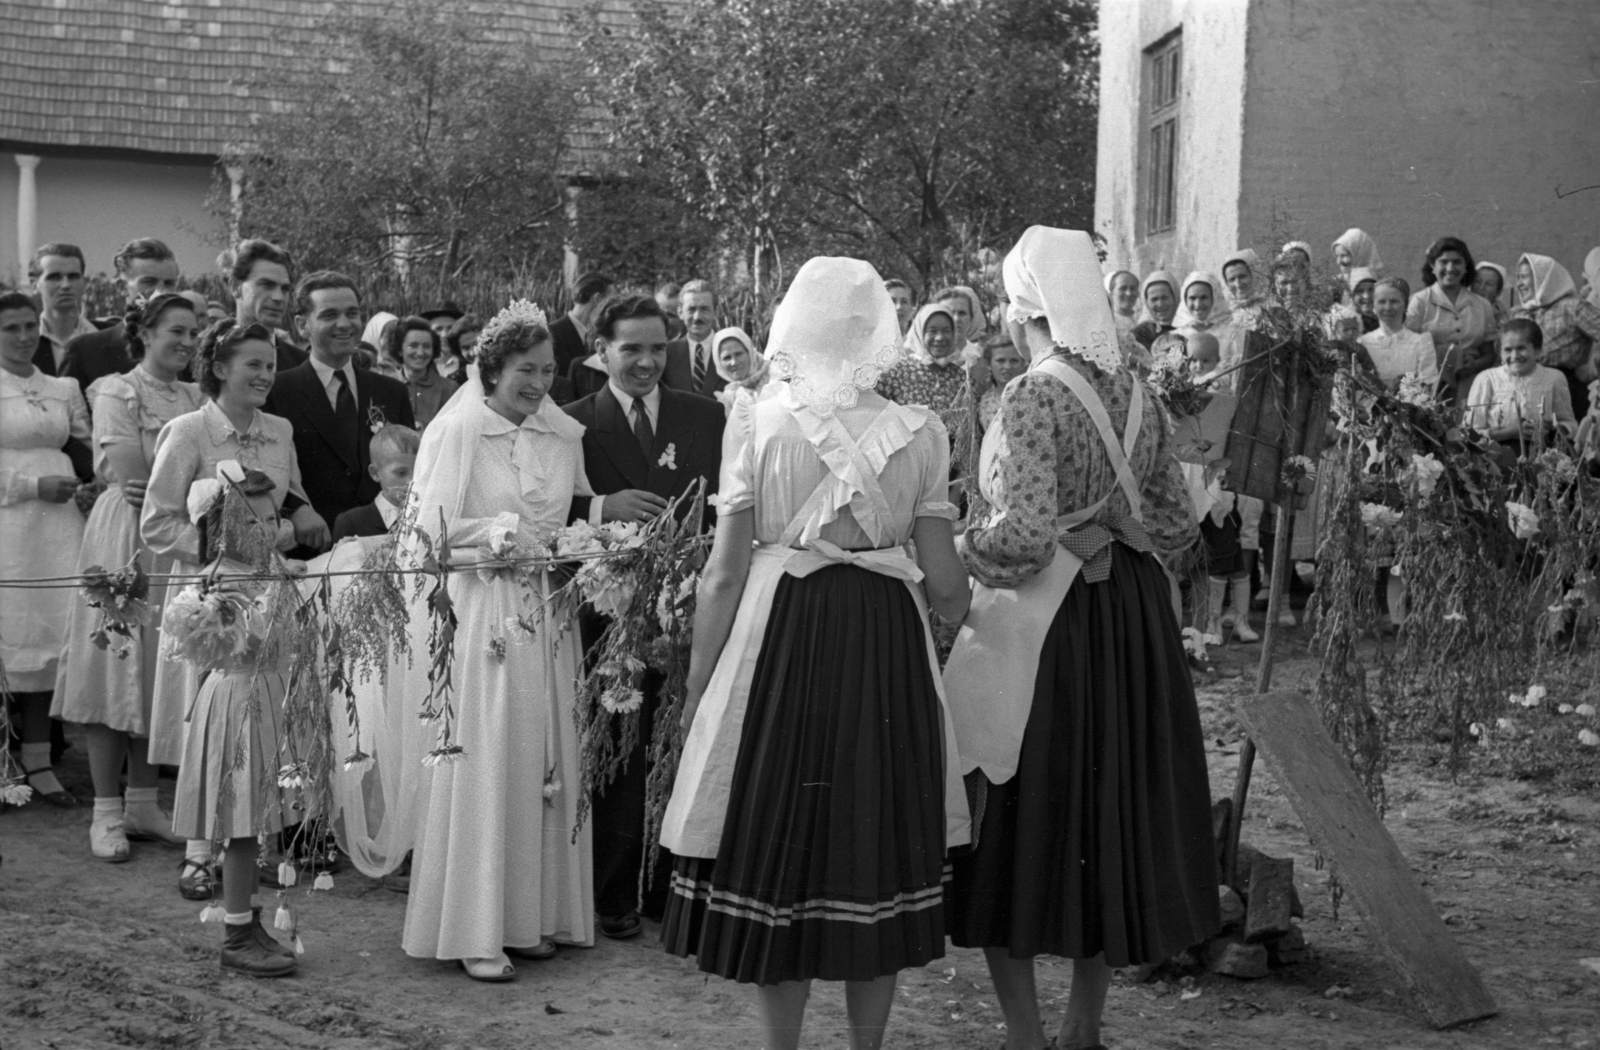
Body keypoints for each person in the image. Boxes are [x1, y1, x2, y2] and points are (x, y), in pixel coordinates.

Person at [661, 255, 971, 1050]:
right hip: (883, 643)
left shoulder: (757, 420)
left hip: (781, 635)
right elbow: (945, 584)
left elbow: (723, 575)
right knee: (873, 841)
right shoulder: (924, 431)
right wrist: (940, 623)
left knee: (780, 838)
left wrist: (700, 688)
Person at [943, 227, 1219, 1050]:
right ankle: (1082, 1029)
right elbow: (1171, 519)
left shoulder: (1032, 394)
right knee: (1108, 813)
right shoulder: (1135, 383)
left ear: (1023, 300)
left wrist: (951, 555)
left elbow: (1024, 539)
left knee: (1019, 820)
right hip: (1129, 616)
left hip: (1050, 622)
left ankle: (1028, 1038)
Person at [400, 301, 597, 981]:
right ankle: (476, 929)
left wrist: (583, 542)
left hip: (547, 612)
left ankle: (530, 916)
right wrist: (493, 537)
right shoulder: (457, 430)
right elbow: (422, 540)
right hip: (485, 610)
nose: (538, 383)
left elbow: (571, 513)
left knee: (539, 758)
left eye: (547, 370)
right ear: (492, 368)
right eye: (525, 370)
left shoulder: (558, 434)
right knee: (490, 756)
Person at [562, 293, 725, 940]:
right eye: (631, 349)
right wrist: (601, 505)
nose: (647, 362)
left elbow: (725, 504)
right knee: (619, 752)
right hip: (607, 614)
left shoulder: (704, 416)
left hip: (686, 605)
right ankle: (613, 893)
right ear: (600, 353)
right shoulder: (570, 423)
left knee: (680, 742)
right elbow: (542, 510)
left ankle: (671, 889)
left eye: (659, 348)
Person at [54, 293, 205, 859]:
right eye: (176, 331)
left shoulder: (196, 396)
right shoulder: (118, 390)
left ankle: (144, 802)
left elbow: (204, 469)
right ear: (144, 332)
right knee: (114, 661)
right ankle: (106, 812)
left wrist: (185, 487)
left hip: (175, 541)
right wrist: (186, 485)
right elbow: (134, 472)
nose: (188, 342)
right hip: (126, 538)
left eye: (195, 332)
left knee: (159, 666)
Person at [0, 290, 90, 807]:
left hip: (57, 528)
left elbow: (83, 446)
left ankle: (37, 759)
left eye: (30, 324)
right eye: (10, 327)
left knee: (46, 633)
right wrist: (32, 486)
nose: (24, 335)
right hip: (11, 524)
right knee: (9, 632)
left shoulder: (63, 385)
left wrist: (87, 483)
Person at [264, 271, 414, 536]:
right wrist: (296, 509)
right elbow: (266, 469)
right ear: (302, 325)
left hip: (384, 543)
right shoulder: (277, 391)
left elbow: (410, 470)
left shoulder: (391, 391)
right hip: (312, 546)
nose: (344, 324)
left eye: (352, 313)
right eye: (329, 315)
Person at [878, 304, 980, 495]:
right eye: (932, 331)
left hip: (947, 474)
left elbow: (967, 437)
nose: (940, 338)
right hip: (902, 467)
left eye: (946, 331)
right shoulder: (897, 371)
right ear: (918, 332)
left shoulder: (962, 378)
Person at [62, 238, 182, 391]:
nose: (161, 292)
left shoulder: (191, 349)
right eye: (149, 282)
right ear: (122, 288)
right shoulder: (83, 351)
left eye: (169, 284)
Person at [1405, 236, 1497, 405]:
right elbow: (1409, 348)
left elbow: (1489, 353)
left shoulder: (1481, 304)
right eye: (1443, 262)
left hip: (1471, 384)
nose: (1450, 268)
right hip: (1431, 385)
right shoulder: (1420, 301)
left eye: (1457, 262)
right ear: (1432, 266)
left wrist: (1475, 364)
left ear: (1465, 267)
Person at [1465, 318, 1577, 455]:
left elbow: (1570, 425)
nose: (1514, 356)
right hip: (1496, 459)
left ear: (1537, 350)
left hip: (1543, 457)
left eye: (1521, 348)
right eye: (1508, 350)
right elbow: (1468, 433)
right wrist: (1509, 432)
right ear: (1500, 352)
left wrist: (1553, 428)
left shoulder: (1554, 378)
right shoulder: (1486, 379)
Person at [1510, 253, 1600, 421]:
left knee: (1565, 440)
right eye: (1518, 278)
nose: (1519, 284)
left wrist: (1590, 368)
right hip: (1523, 387)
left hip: (1566, 388)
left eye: (1524, 277)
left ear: (1542, 277)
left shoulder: (1572, 307)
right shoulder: (1517, 313)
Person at [226, 239, 308, 372]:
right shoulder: (206, 354)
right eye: (266, 285)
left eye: (285, 289)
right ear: (236, 287)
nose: (279, 297)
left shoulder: (302, 366)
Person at [331, 424, 419, 541]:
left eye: (419, 471)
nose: (412, 481)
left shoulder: (428, 515)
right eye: (401, 473)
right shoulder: (351, 523)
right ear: (375, 473)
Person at [28, 243, 96, 376]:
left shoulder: (111, 337)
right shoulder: (21, 341)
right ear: (34, 284)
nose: (65, 285)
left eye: (73, 277)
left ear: (84, 283)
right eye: (54, 277)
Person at [1360, 277, 1439, 393]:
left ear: (1405, 305)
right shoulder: (1362, 343)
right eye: (1382, 302)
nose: (1388, 307)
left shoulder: (1421, 342)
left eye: (1394, 301)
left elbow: (1428, 384)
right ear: (1373, 307)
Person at [388, 315, 459, 430]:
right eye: (413, 346)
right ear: (400, 350)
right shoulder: (385, 386)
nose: (420, 353)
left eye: (426, 346)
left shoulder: (449, 389)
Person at [665, 279, 726, 397]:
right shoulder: (667, 353)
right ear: (680, 312)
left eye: (704, 309)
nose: (697, 317)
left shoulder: (731, 351)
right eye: (691, 309)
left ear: (716, 312)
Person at [552, 271, 614, 378]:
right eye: (611, 301)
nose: (612, 307)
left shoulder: (600, 335)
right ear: (597, 299)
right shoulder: (553, 333)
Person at [710, 325, 769, 413]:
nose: (734, 362)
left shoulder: (773, 375)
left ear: (749, 352)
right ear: (719, 363)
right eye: (727, 358)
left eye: (738, 354)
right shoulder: (728, 398)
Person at [977, 332, 1027, 431]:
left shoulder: (1029, 397)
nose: (1007, 366)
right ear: (988, 364)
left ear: (1022, 363)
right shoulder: (984, 402)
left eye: (1014, 361)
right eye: (1000, 361)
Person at [1131, 270, 1178, 349]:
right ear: (1146, 302)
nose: (1160, 304)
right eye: (1154, 299)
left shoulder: (1186, 326)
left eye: (1164, 297)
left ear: (1175, 298)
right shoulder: (1140, 333)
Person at [440, 315, 479, 385]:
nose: (472, 353)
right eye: (466, 348)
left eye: (476, 345)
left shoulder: (503, 373)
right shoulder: (454, 381)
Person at [1104, 269, 1140, 335]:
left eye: (1133, 288)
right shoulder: (1109, 322)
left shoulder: (1142, 319)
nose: (1129, 293)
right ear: (1112, 293)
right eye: (1123, 288)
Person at [1349, 267, 1380, 332]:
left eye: (1371, 289)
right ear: (1352, 296)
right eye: (1360, 291)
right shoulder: (1347, 323)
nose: (1366, 296)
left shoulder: (1392, 318)